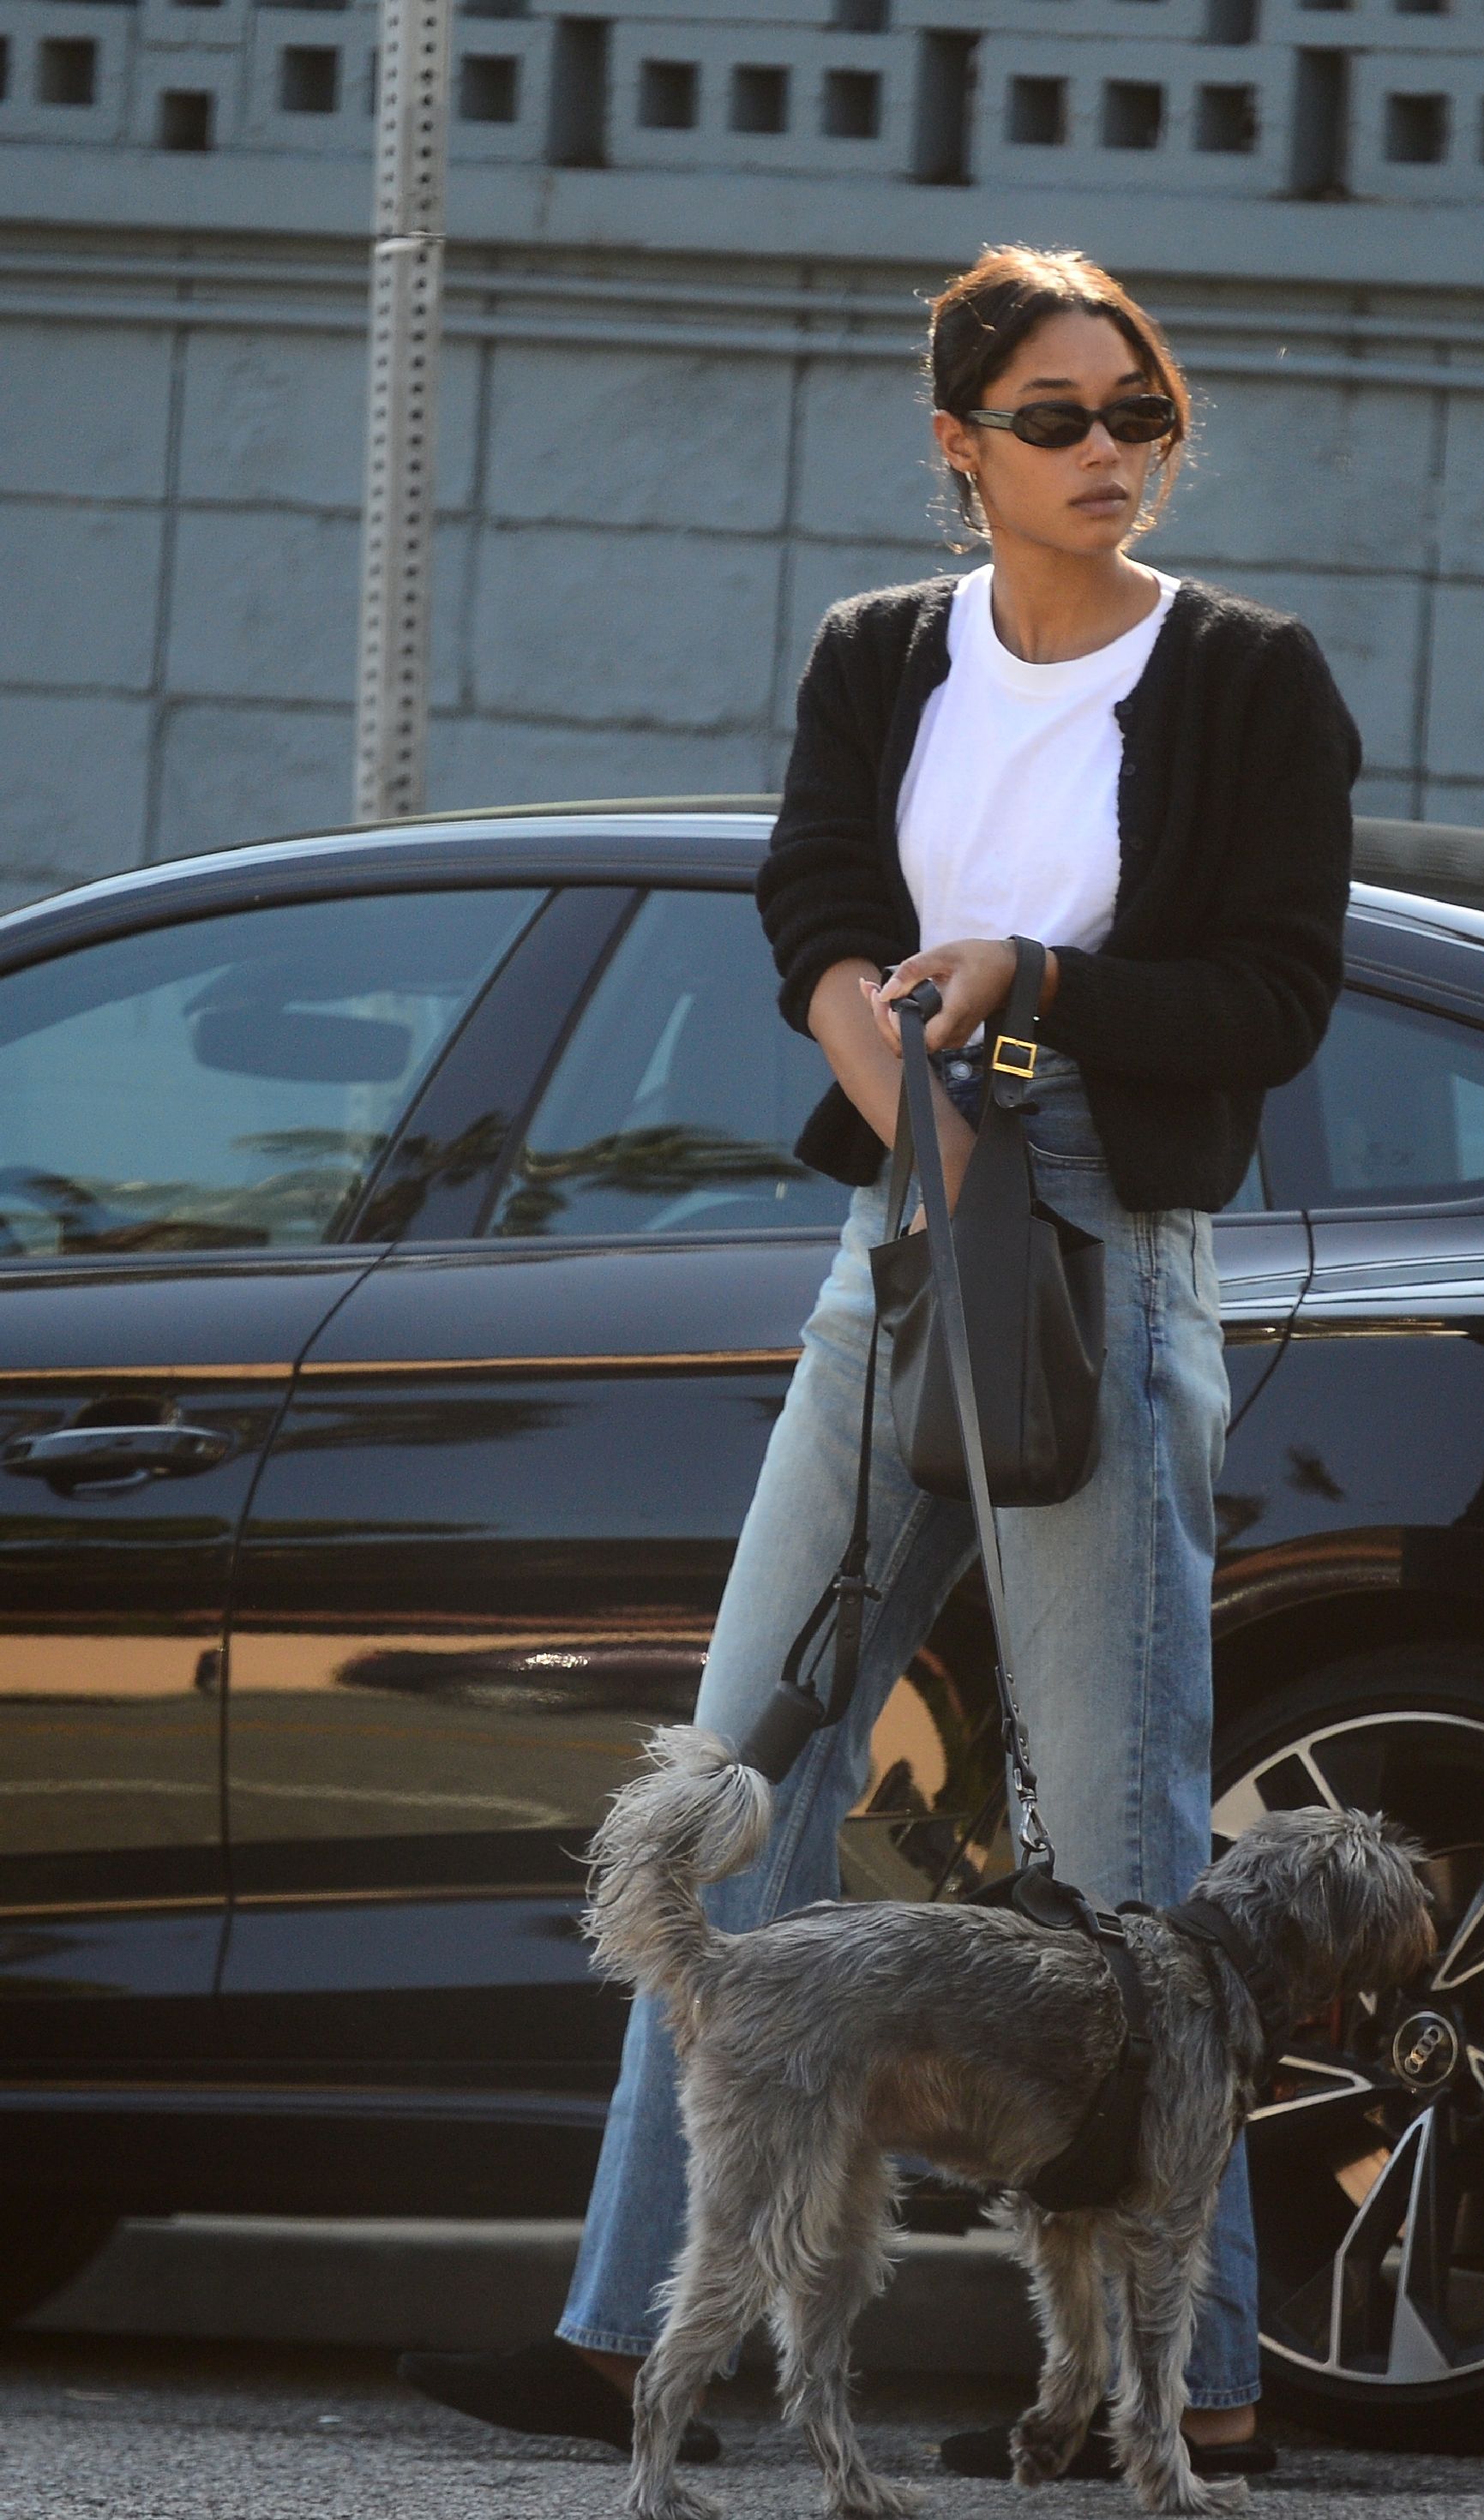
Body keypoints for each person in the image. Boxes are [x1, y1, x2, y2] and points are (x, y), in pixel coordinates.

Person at [401, 243, 1360, 2479]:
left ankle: (1181, 2375)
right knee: (736, 1767)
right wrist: (923, 1118)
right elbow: (811, 910)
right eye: (1058, 418)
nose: (1111, 452)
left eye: (1142, 414)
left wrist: (1035, 978)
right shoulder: (878, 658)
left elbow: (1277, 994)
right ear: (961, 445)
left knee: (1123, 1822)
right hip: (906, 1220)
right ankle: (649, 2332)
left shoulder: (1248, 677)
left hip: (1109, 1234)